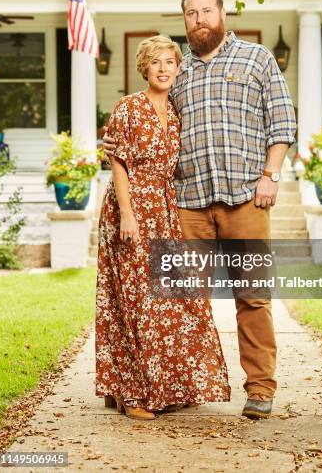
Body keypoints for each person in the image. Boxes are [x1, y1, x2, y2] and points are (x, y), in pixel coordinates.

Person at [104, 0, 297, 419]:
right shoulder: (178, 69)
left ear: (222, 13)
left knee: (253, 297)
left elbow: (283, 122)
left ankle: (261, 388)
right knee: (176, 297)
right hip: (186, 205)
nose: (199, 19)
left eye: (206, 10)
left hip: (246, 199)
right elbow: (145, 125)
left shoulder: (258, 59)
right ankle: (170, 385)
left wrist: (271, 175)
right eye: (191, 13)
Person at [96, 35, 231, 421]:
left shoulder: (174, 113)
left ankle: (165, 384)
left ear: (177, 67)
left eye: (169, 62)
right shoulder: (128, 107)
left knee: (172, 300)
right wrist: (127, 213)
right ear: (145, 68)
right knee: (136, 301)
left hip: (165, 209)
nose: (163, 69)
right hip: (131, 207)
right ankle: (132, 393)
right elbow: (118, 163)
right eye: (155, 62)